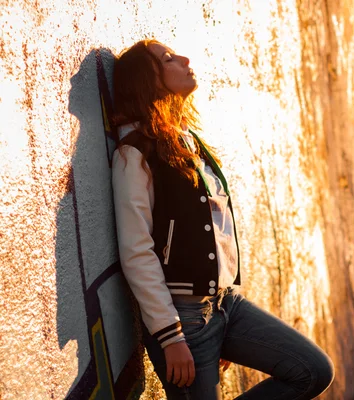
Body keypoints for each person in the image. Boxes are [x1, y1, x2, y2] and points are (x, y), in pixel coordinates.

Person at [110, 39, 334, 399]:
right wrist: (170, 336)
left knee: (312, 370)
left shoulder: (187, 141)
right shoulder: (133, 155)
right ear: (146, 80)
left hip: (224, 304)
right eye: (168, 59)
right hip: (183, 319)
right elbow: (136, 252)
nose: (184, 59)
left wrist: (224, 326)